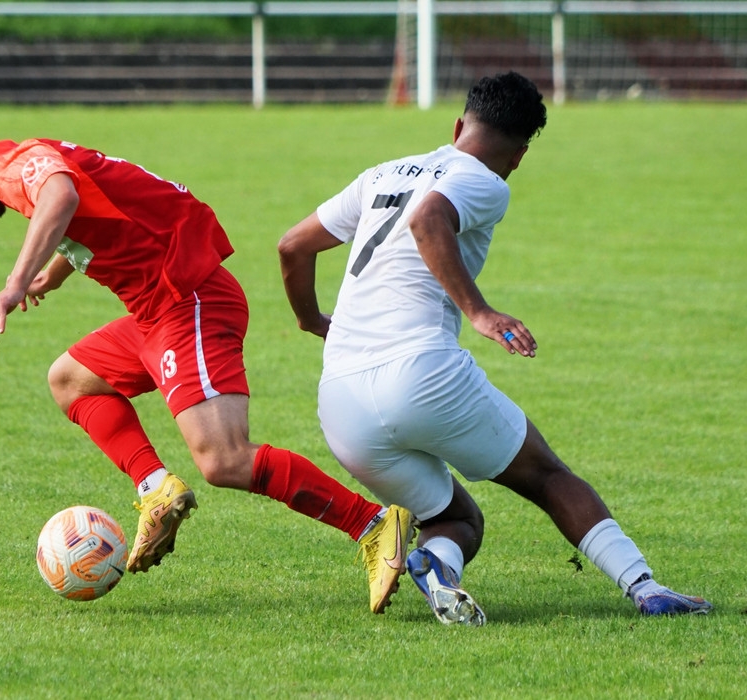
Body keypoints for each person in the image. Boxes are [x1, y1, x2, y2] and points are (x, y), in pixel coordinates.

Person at [0, 108, 413, 614]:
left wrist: (14, 285)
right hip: (153, 312)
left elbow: (60, 195)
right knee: (70, 380)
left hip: (187, 300)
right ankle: (156, 490)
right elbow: (86, 204)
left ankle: (372, 524)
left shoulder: (13, 168)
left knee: (223, 458)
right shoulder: (29, 155)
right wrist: (54, 274)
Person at [277, 72, 712, 625]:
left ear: (459, 124)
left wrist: (312, 319)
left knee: (458, 518)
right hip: (421, 374)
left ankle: (437, 569)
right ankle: (646, 588)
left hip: (340, 405)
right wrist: (478, 311)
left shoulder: (380, 174)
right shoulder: (486, 178)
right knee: (549, 477)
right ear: (521, 154)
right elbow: (428, 217)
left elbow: (292, 246)